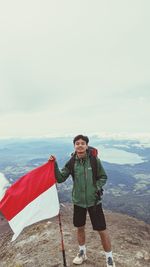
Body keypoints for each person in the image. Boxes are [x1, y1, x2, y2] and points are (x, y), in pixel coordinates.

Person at [49, 134, 115, 267]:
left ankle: (109, 258)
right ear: (74, 146)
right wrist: (54, 164)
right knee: (80, 227)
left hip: (94, 201)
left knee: (102, 230)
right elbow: (61, 178)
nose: (80, 145)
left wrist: (95, 188)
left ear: (86, 146)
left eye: (82, 143)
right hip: (78, 201)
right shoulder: (72, 162)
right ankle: (82, 253)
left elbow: (103, 177)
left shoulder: (94, 161)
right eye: (77, 143)